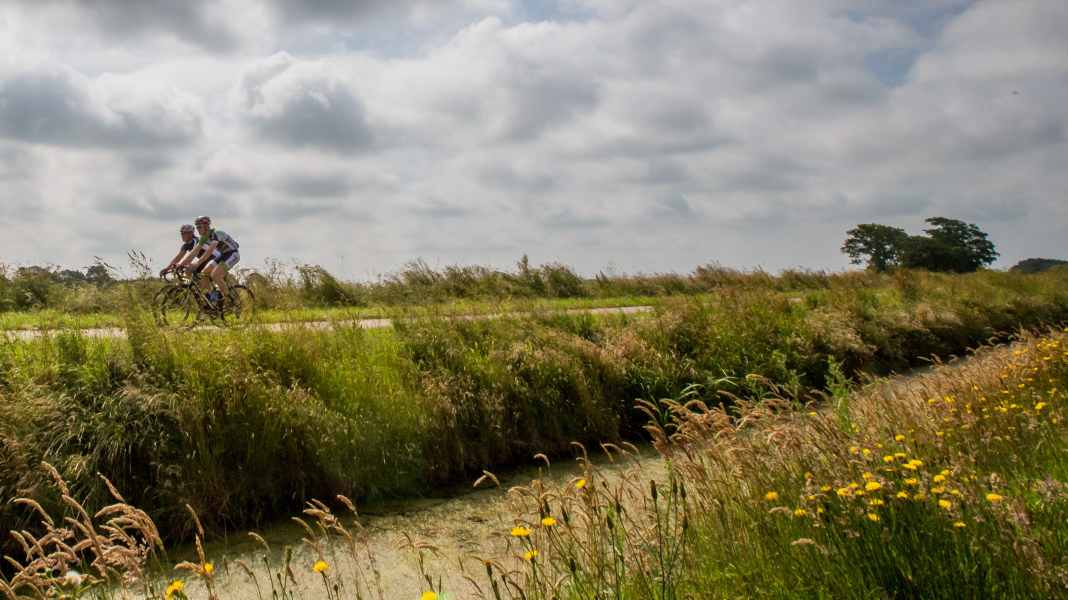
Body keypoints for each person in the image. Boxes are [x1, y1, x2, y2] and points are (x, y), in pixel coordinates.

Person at [183, 215, 241, 307]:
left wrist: (197, 263)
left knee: (215, 275)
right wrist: (181, 265)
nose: (197, 229)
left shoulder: (216, 233)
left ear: (206, 226)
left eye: (199, 227)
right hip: (223, 255)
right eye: (197, 227)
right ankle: (214, 300)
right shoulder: (204, 238)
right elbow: (194, 252)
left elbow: (210, 250)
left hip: (232, 254)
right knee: (204, 274)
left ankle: (230, 302)